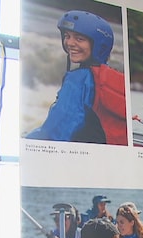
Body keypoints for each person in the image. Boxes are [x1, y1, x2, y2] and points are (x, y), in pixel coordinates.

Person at [26, 10, 127, 145]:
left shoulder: (78, 80)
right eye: (67, 36)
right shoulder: (109, 76)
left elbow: (56, 132)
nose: (70, 43)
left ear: (99, 46)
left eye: (79, 39)